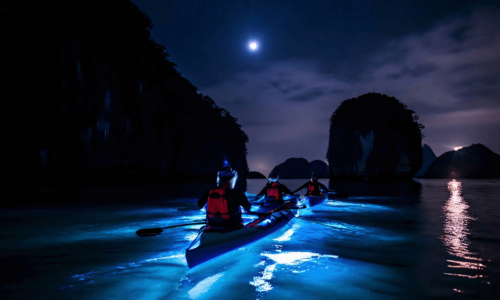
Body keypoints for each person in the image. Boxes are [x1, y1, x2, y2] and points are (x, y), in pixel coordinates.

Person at [197, 164, 252, 229]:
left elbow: (199, 205)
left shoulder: (209, 192)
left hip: (213, 224)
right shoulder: (238, 193)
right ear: (233, 179)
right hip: (232, 226)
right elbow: (248, 208)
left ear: (219, 179)